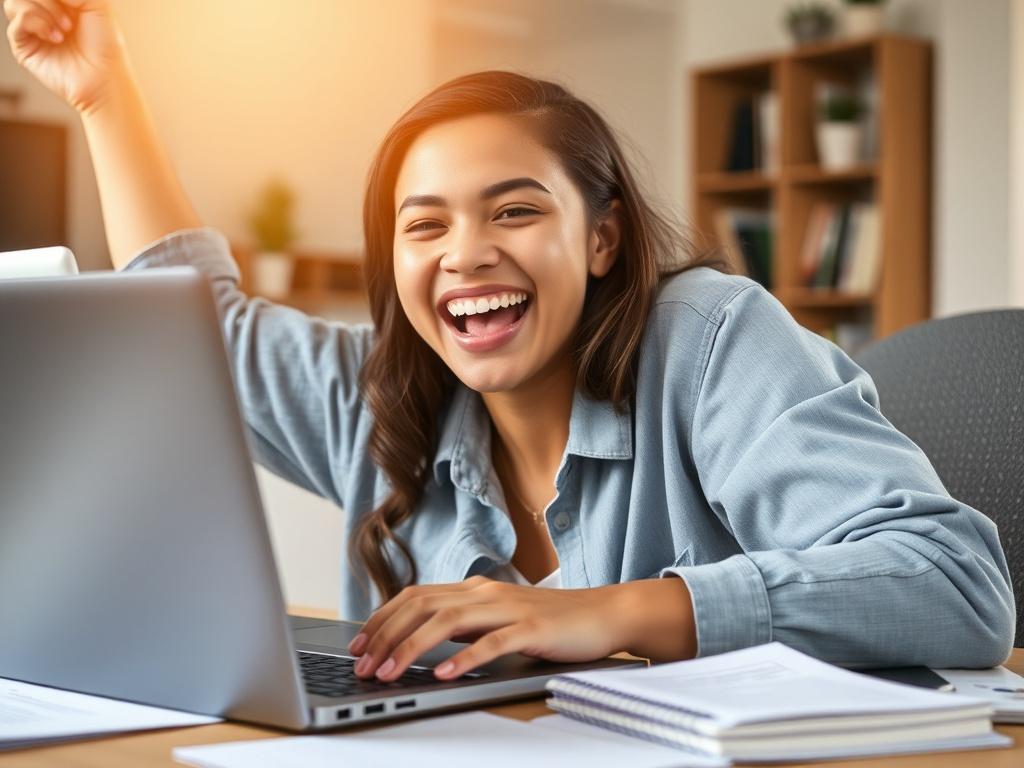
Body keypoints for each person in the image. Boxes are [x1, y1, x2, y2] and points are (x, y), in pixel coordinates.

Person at [5, 0, 1014, 686]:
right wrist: (102, 95)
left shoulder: (710, 339)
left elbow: (956, 582)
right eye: (425, 224)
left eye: (513, 212)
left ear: (604, 236)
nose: (466, 254)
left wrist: (614, 614)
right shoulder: (388, 392)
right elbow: (202, 336)